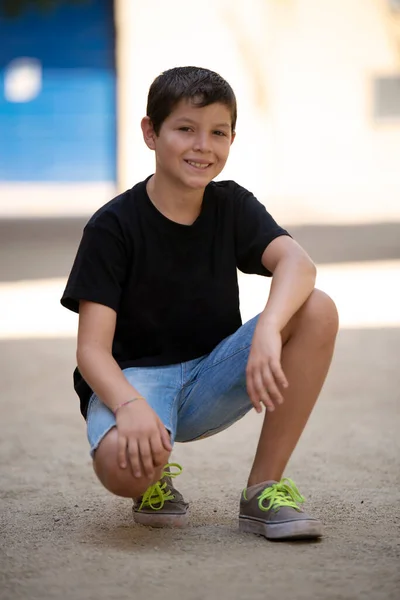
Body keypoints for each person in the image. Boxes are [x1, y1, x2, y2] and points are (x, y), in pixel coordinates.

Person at [61, 66, 338, 541]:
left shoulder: (230, 205)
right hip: (135, 383)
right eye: (185, 129)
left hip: (213, 372)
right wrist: (128, 405)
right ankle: (152, 480)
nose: (202, 146)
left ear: (232, 139)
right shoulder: (113, 226)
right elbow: (91, 351)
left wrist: (270, 327)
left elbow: (298, 263)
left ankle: (263, 490)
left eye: (218, 133)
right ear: (151, 132)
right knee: (125, 468)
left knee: (316, 307)